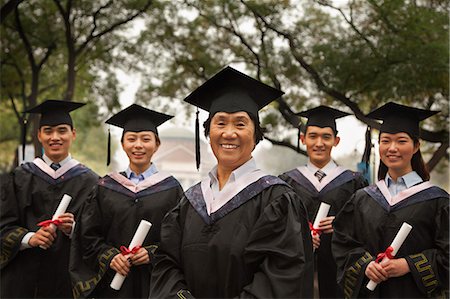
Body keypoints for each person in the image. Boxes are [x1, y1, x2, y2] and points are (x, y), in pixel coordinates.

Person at [149, 66, 313, 298]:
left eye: (240, 124)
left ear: (256, 135)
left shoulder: (276, 199)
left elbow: (282, 275)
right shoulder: (190, 202)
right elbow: (166, 263)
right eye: (221, 123)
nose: (229, 133)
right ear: (208, 132)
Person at [332, 102, 449, 298]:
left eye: (401, 141)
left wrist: (408, 265)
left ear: (416, 146)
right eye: (385, 141)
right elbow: (343, 244)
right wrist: (366, 265)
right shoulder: (362, 198)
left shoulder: (437, 201)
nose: (392, 148)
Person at [70, 104, 184, 298]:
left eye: (146, 139)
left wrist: (151, 253)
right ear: (123, 144)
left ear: (157, 145)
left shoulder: (171, 189)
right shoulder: (105, 187)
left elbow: (179, 238)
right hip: (111, 287)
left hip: (154, 286)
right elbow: (87, 237)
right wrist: (110, 256)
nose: (138, 145)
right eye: (131, 139)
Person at [0, 100, 99, 298]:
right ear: (39, 135)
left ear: (73, 134)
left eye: (62, 130)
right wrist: (29, 238)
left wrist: (73, 229)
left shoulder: (91, 182)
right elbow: (3, 225)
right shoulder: (19, 177)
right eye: (48, 131)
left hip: (67, 284)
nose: (55, 137)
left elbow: (98, 236)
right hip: (23, 282)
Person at [279, 105, 369, 298]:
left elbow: (365, 228)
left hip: (340, 276)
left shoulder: (354, 182)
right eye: (313, 136)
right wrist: (299, 236)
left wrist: (341, 227)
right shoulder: (286, 182)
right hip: (297, 275)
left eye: (326, 137)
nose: (319, 143)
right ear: (303, 139)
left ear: (336, 141)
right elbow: (276, 228)